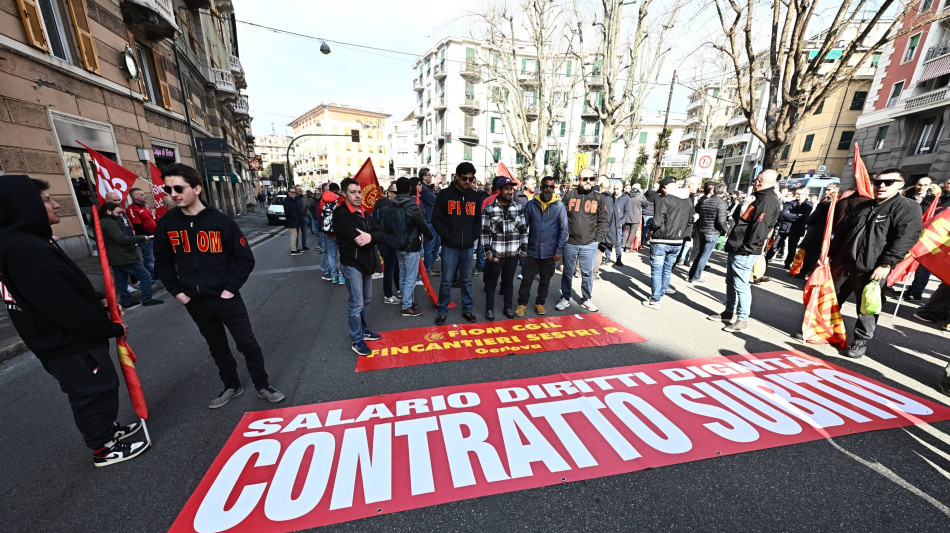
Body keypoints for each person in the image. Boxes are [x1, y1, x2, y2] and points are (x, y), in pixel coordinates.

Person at [0, 176, 149, 466]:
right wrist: (111, 327)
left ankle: (108, 431)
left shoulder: (24, 243)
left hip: (64, 341)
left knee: (100, 387)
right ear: (22, 206)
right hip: (68, 344)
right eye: (45, 200)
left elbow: (65, 285)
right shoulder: (25, 250)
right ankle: (103, 448)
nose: (56, 204)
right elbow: (63, 307)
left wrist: (99, 300)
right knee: (93, 392)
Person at [154, 163, 285, 408]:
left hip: (226, 298)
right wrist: (179, 293)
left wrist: (230, 289)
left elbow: (245, 258)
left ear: (197, 188)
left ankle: (262, 385)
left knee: (247, 343)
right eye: (168, 188)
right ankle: (231, 385)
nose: (173, 194)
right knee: (216, 346)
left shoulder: (220, 221)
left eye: (179, 188)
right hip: (194, 301)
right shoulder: (167, 224)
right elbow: (162, 263)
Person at [833, 168, 922, 358]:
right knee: (832, 299)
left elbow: (906, 238)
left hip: (873, 268)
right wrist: (829, 254)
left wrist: (886, 264)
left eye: (888, 182)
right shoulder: (863, 206)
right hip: (846, 263)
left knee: (867, 307)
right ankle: (823, 329)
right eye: (878, 182)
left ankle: (860, 341)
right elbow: (843, 233)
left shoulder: (907, 207)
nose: (881, 186)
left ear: (900, 185)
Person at [708, 169, 782, 333]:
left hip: (745, 250)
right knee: (731, 282)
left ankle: (742, 320)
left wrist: (745, 249)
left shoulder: (767, 201)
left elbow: (759, 229)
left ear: (759, 182)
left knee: (741, 285)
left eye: (756, 180)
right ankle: (729, 312)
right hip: (738, 247)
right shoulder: (762, 199)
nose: (754, 183)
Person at [333, 177, 385, 355]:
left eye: (359, 192)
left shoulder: (364, 212)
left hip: (367, 264)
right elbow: (358, 240)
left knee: (366, 301)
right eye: (352, 192)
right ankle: (356, 339)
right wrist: (372, 237)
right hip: (352, 265)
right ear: (344, 194)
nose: (357, 196)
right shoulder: (341, 215)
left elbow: (380, 233)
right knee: (357, 304)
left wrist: (371, 237)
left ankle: (363, 330)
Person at [432, 162, 482, 325]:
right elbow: (436, 219)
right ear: (457, 177)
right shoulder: (445, 195)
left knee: (466, 280)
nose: (468, 182)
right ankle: (442, 311)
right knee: (446, 280)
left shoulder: (474, 196)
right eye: (464, 178)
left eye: (471, 179)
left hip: (467, 246)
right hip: (449, 246)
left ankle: (467, 309)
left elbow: (477, 220)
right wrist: (447, 237)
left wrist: (472, 237)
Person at [556, 168, 607, 312]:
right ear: (579, 180)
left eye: (591, 178)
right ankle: (565, 298)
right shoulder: (570, 195)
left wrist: (597, 240)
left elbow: (603, 220)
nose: (589, 181)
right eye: (585, 179)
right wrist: (562, 237)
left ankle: (586, 299)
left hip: (589, 243)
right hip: (570, 242)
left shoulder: (599, 198)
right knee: (567, 272)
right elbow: (561, 216)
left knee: (587, 273)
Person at [517, 175, 567, 316]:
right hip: (532, 250)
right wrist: (523, 247)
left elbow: (564, 230)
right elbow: (523, 227)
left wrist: (559, 251)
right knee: (526, 279)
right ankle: (522, 304)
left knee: (545, 280)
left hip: (550, 251)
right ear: (541, 188)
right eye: (546, 186)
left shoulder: (559, 206)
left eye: (552, 187)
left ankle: (540, 303)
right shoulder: (531, 204)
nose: (549, 189)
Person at [481, 176, 528, 319]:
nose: (509, 192)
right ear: (499, 190)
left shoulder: (518, 208)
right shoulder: (489, 209)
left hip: (513, 254)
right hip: (496, 254)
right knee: (491, 282)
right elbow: (484, 233)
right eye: (506, 189)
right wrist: (487, 253)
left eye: (511, 189)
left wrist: (523, 249)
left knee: (508, 282)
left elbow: (523, 230)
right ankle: (490, 308)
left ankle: (507, 307)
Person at [99, 202, 163, 308]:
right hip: (124, 256)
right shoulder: (109, 222)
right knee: (145, 275)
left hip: (117, 256)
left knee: (121, 279)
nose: (121, 215)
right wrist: (141, 238)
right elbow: (121, 238)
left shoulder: (106, 221)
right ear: (108, 211)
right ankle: (147, 299)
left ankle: (127, 301)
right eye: (118, 212)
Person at [641, 178, 693, 309]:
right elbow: (690, 221)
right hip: (677, 240)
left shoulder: (665, 200)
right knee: (667, 269)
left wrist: (650, 229)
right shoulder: (687, 201)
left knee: (657, 271)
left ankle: (655, 299)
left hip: (661, 239)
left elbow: (657, 221)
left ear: (666, 187)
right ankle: (661, 294)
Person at [385, 177, 432, 317]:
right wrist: (429, 235)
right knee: (410, 276)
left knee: (403, 274)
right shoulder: (412, 206)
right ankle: (407, 306)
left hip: (396, 244)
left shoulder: (392, 204)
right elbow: (422, 224)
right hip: (411, 245)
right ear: (410, 189)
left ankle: (406, 300)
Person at [688, 181, 729, 284]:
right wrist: (727, 231)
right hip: (712, 232)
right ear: (724, 191)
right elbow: (721, 221)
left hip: (702, 229)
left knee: (700, 254)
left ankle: (692, 275)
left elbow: (697, 210)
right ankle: (696, 277)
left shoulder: (706, 200)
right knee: (704, 255)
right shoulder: (721, 203)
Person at [375, 183, 401, 304]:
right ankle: (388, 295)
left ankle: (399, 289)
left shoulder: (384, 206)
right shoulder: (387, 208)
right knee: (390, 268)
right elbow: (388, 228)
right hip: (386, 242)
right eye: (395, 192)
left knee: (394, 267)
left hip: (387, 241)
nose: (397, 195)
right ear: (389, 193)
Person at [125, 187, 158, 278]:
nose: (145, 196)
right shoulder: (132, 209)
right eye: (141, 195)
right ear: (135, 197)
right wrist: (150, 234)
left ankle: (158, 274)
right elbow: (137, 225)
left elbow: (153, 219)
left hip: (155, 236)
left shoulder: (147, 206)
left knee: (157, 257)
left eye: (144, 194)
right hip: (146, 238)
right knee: (149, 258)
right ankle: (153, 276)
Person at [319, 183, 343, 284]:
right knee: (342, 255)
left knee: (331, 254)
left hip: (329, 232)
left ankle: (334, 276)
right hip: (340, 232)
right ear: (338, 190)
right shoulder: (340, 200)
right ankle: (342, 277)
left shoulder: (322, 200)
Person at [419, 167, 441, 274]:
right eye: (429, 175)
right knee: (430, 246)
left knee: (436, 244)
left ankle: (430, 266)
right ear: (424, 177)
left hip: (433, 220)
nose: (431, 176)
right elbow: (436, 201)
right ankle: (428, 268)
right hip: (429, 221)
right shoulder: (424, 189)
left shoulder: (427, 188)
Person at [622, 185, 649, 250]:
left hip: (627, 216)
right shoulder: (640, 197)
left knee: (626, 231)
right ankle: (628, 247)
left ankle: (622, 245)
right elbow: (646, 205)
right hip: (636, 217)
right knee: (633, 232)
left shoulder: (627, 196)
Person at [611, 181, 630, 266]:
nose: (615, 190)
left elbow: (627, 212)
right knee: (608, 240)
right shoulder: (611, 196)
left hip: (619, 223)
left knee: (618, 241)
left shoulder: (625, 198)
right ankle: (607, 257)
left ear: (622, 188)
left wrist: (622, 222)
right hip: (611, 222)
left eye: (617, 188)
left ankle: (618, 258)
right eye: (614, 188)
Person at [283, 187, 302, 255]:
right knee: (294, 235)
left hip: (296, 220)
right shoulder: (286, 200)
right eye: (291, 192)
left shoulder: (295, 199)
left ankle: (296, 248)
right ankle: (293, 250)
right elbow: (287, 211)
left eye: (294, 192)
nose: (293, 193)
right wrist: (294, 216)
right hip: (291, 220)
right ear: (288, 193)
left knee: (296, 235)